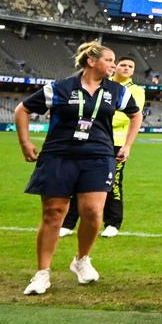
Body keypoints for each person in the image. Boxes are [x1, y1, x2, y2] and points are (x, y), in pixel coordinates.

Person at [16, 41, 142, 295]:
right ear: (92, 61)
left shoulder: (116, 91)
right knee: (54, 212)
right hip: (58, 155)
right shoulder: (61, 88)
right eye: (109, 60)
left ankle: (81, 260)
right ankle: (42, 273)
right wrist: (25, 142)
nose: (113, 65)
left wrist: (127, 145)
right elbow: (23, 109)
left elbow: (135, 114)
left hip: (98, 156)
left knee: (93, 212)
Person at [60, 54, 145, 238]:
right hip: (90, 139)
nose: (126, 68)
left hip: (115, 143)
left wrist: (97, 118)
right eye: (123, 64)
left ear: (133, 71)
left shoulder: (136, 90)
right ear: (115, 66)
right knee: (78, 179)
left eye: (130, 66)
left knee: (113, 183)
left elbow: (127, 116)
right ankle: (68, 223)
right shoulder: (102, 84)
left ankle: (113, 223)